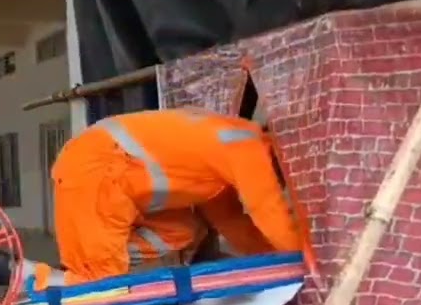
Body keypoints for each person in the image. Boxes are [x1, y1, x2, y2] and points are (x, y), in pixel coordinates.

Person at [43, 108, 303, 287]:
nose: (281, 188)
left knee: (183, 229)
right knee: (101, 292)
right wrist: (309, 264)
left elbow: (233, 222)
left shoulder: (228, 156)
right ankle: (24, 275)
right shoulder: (249, 150)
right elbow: (270, 211)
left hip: (110, 175)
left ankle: (100, 261)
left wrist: (273, 263)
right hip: (99, 171)